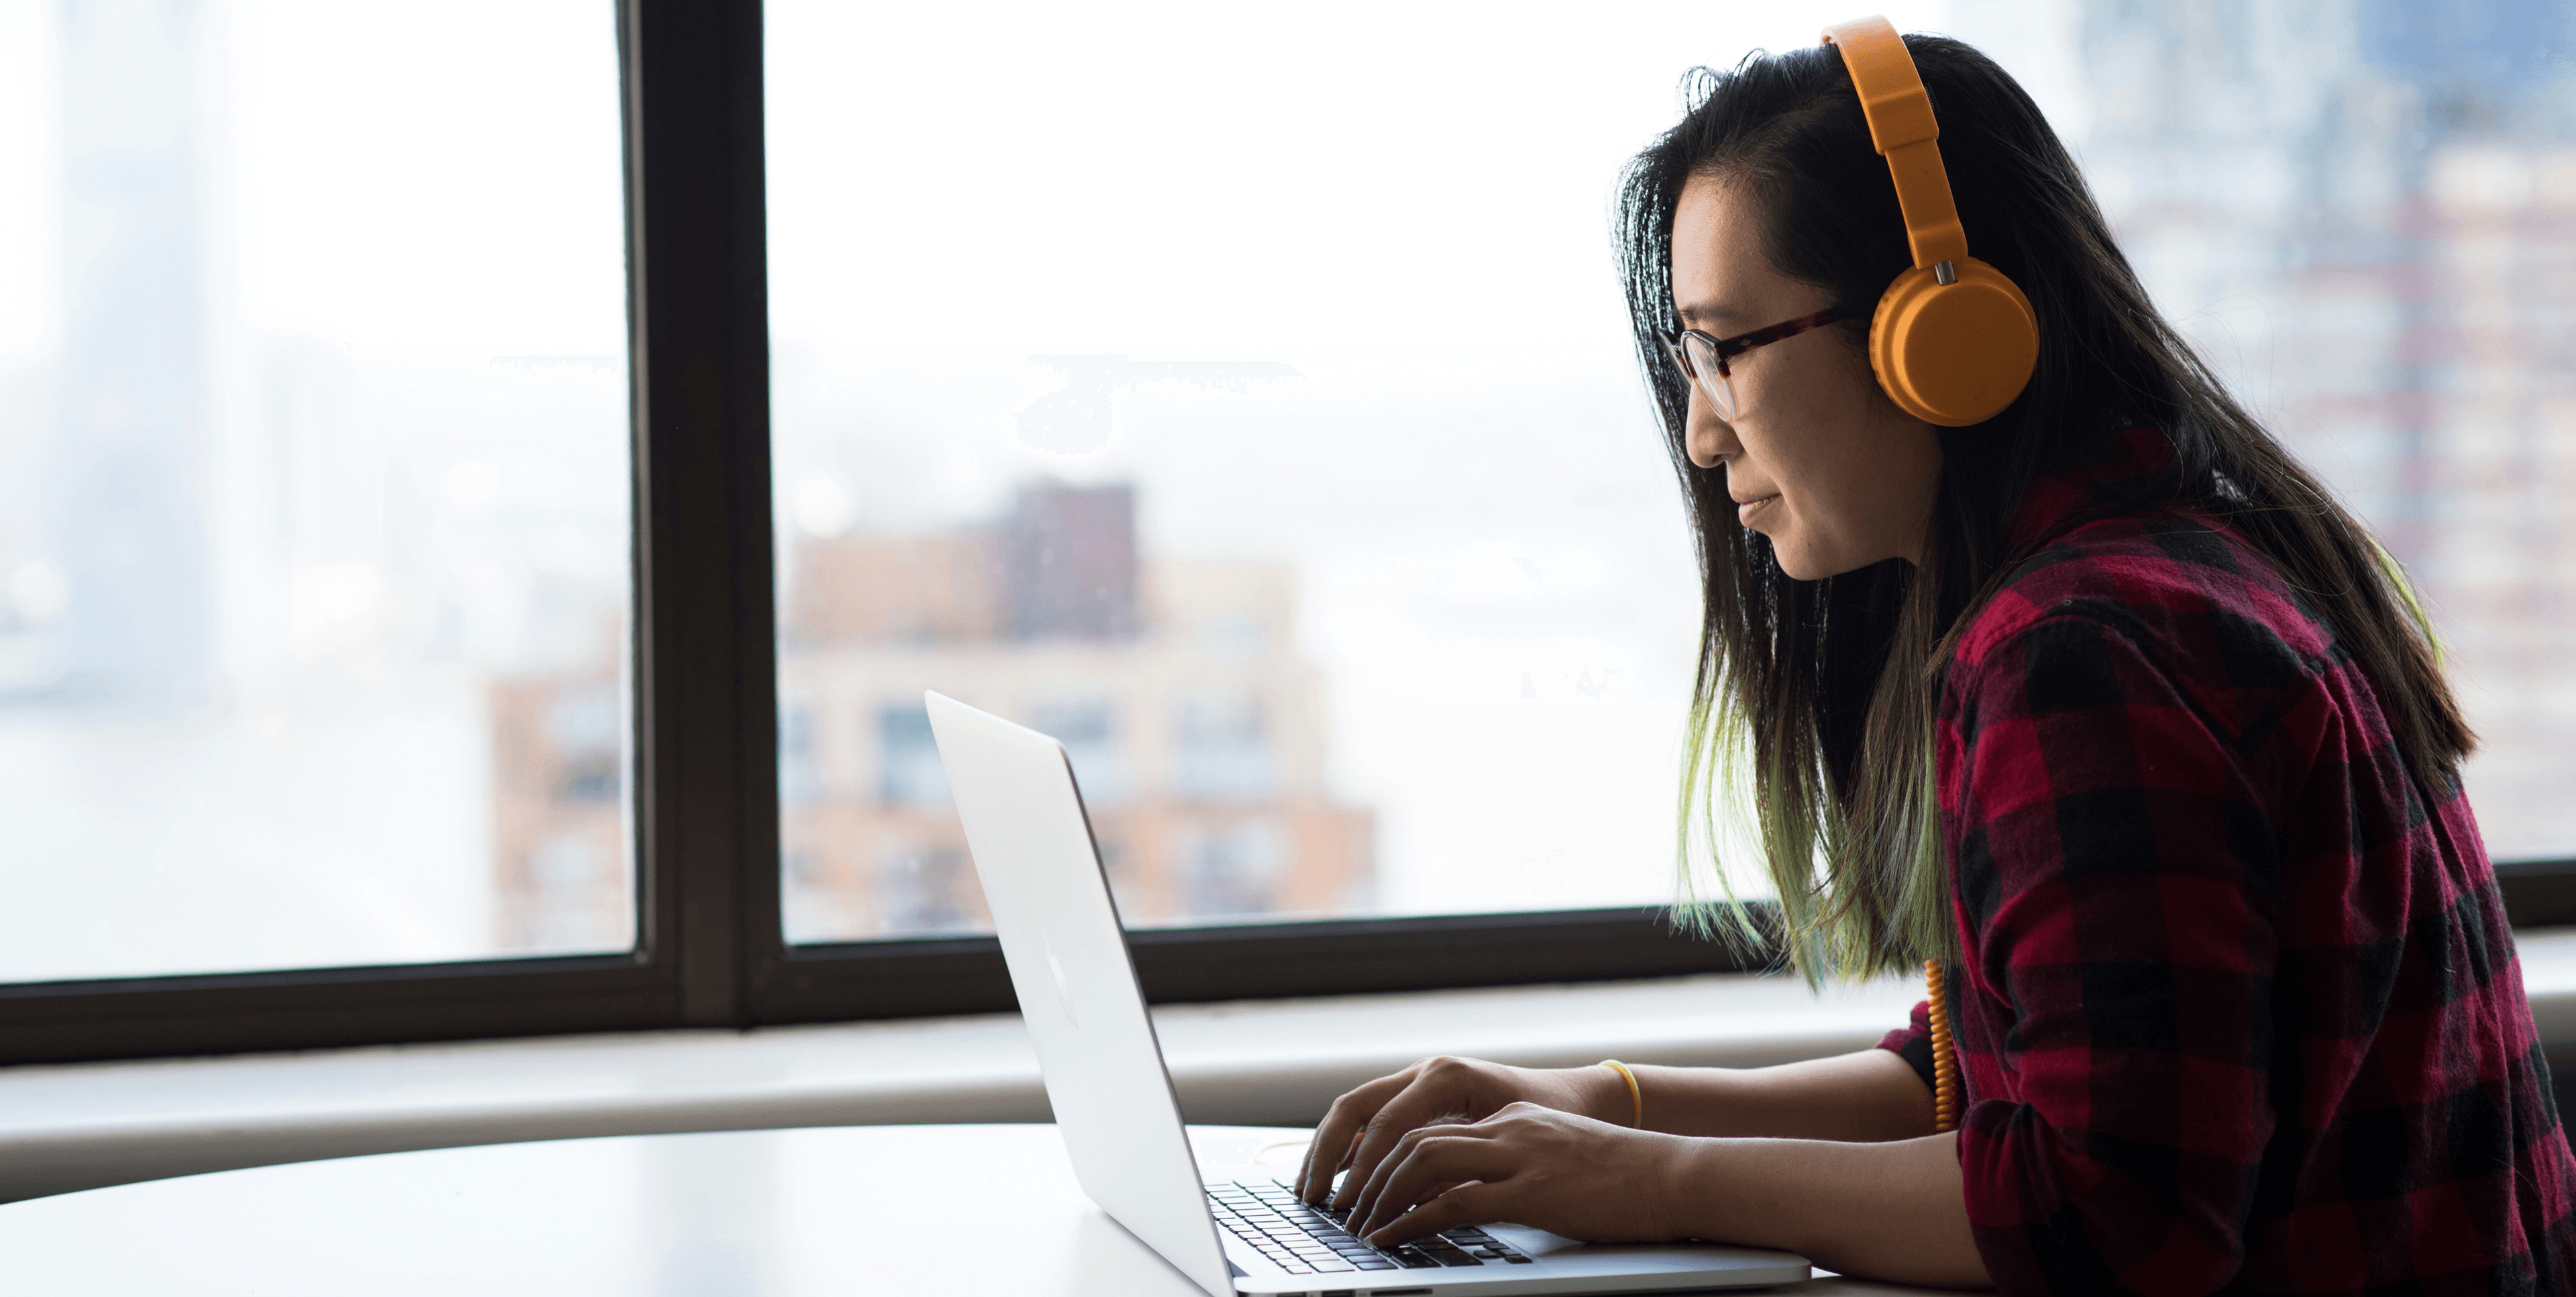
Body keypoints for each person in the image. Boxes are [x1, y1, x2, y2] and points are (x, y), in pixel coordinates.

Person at [1293, 22, 2576, 1294]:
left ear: (1936, 331)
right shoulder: (2186, 564)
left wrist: (1647, 1179)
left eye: (1725, 349)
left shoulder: (2083, 651)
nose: (1699, 432)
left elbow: (2111, 1213)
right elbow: (1977, 1078)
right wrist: (1603, 1104)